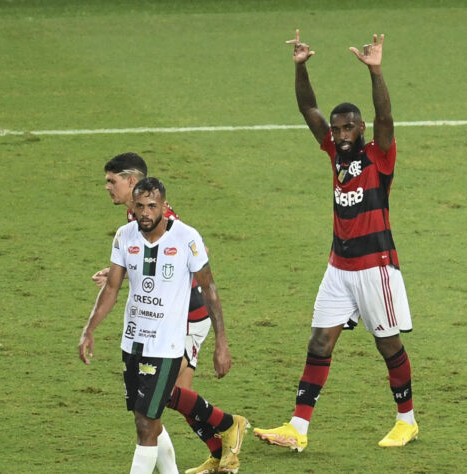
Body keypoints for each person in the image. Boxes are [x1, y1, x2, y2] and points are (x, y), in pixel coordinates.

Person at [253, 30, 418, 449]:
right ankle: (298, 428)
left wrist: (376, 71)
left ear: (360, 128)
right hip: (338, 268)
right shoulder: (334, 151)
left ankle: (407, 420)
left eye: (349, 128)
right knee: (320, 340)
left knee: (387, 345)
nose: (342, 134)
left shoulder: (379, 156)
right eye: (338, 128)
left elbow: (386, 119)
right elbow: (308, 107)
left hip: (375, 268)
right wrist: (300, 66)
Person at [79, 178, 249, 473]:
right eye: (140, 206)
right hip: (132, 343)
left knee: (147, 422)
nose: (145, 212)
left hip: (167, 345)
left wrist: (222, 342)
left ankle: (228, 424)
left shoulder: (186, 238)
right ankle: (221, 432)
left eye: (152, 206)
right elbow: (112, 288)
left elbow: (210, 289)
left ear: (164, 207)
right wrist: (89, 329)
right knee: (146, 418)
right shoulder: (124, 236)